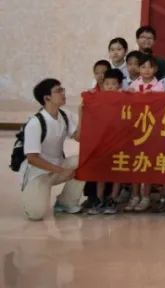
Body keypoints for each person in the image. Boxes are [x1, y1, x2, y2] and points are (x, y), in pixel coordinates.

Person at [20, 79, 83, 221]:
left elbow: (78, 138)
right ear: (47, 98)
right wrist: (61, 171)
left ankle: (66, 202)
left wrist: (81, 114)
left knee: (82, 161)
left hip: (57, 168)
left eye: (62, 89)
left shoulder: (65, 115)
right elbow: (32, 158)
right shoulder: (35, 123)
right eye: (58, 91)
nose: (63, 93)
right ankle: (33, 193)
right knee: (36, 214)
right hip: (38, 173)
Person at [85, 69, 124, 215]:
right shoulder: (98, 98)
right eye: (107, 84)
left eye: (114, 84)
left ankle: (113, 198)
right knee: (101, 172)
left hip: (119, 141)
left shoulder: (123, 98)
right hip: (102, 142)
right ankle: (99, 198)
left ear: (119, 85)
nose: (110, 87)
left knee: (117, 172)